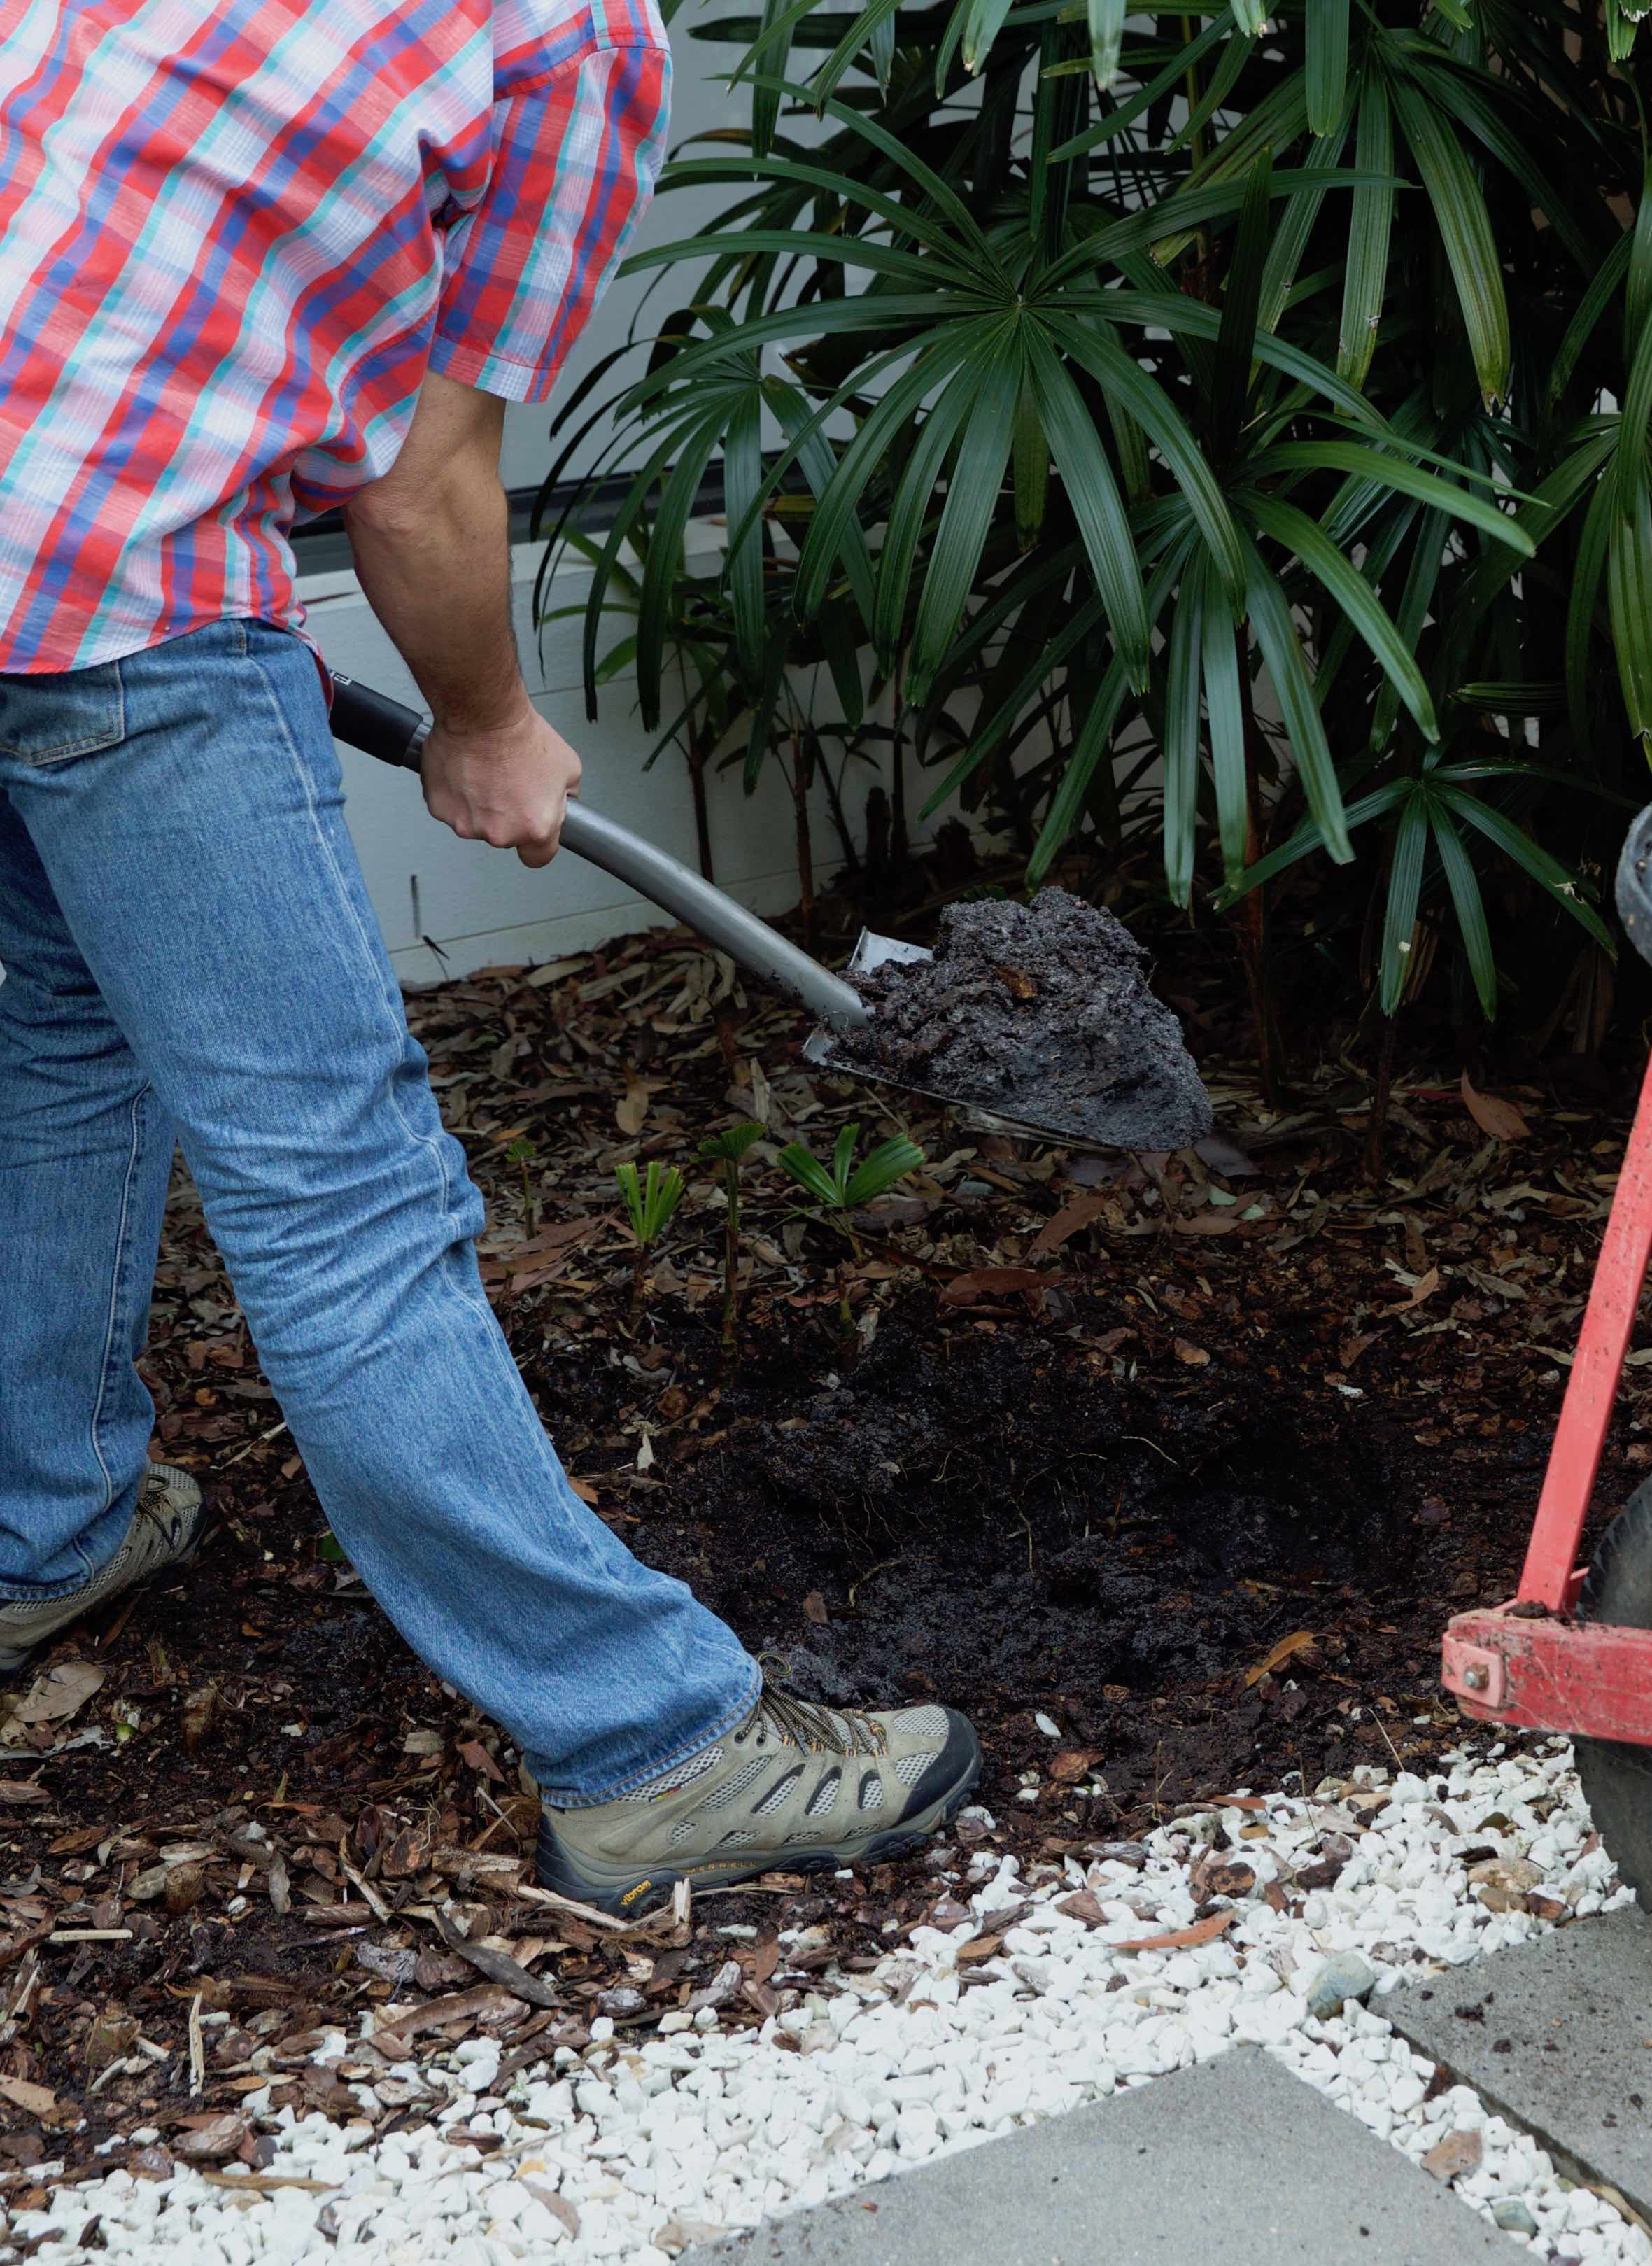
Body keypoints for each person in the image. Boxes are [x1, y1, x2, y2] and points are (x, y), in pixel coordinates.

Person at [0, 0, 977, 1917]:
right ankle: (648, 1748)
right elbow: (424, 487)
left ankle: (35, 1533)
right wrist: (488, 722)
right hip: (115, 604)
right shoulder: (566, 36)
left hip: (46, 554)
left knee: (56, 1040)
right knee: (340, 1196)